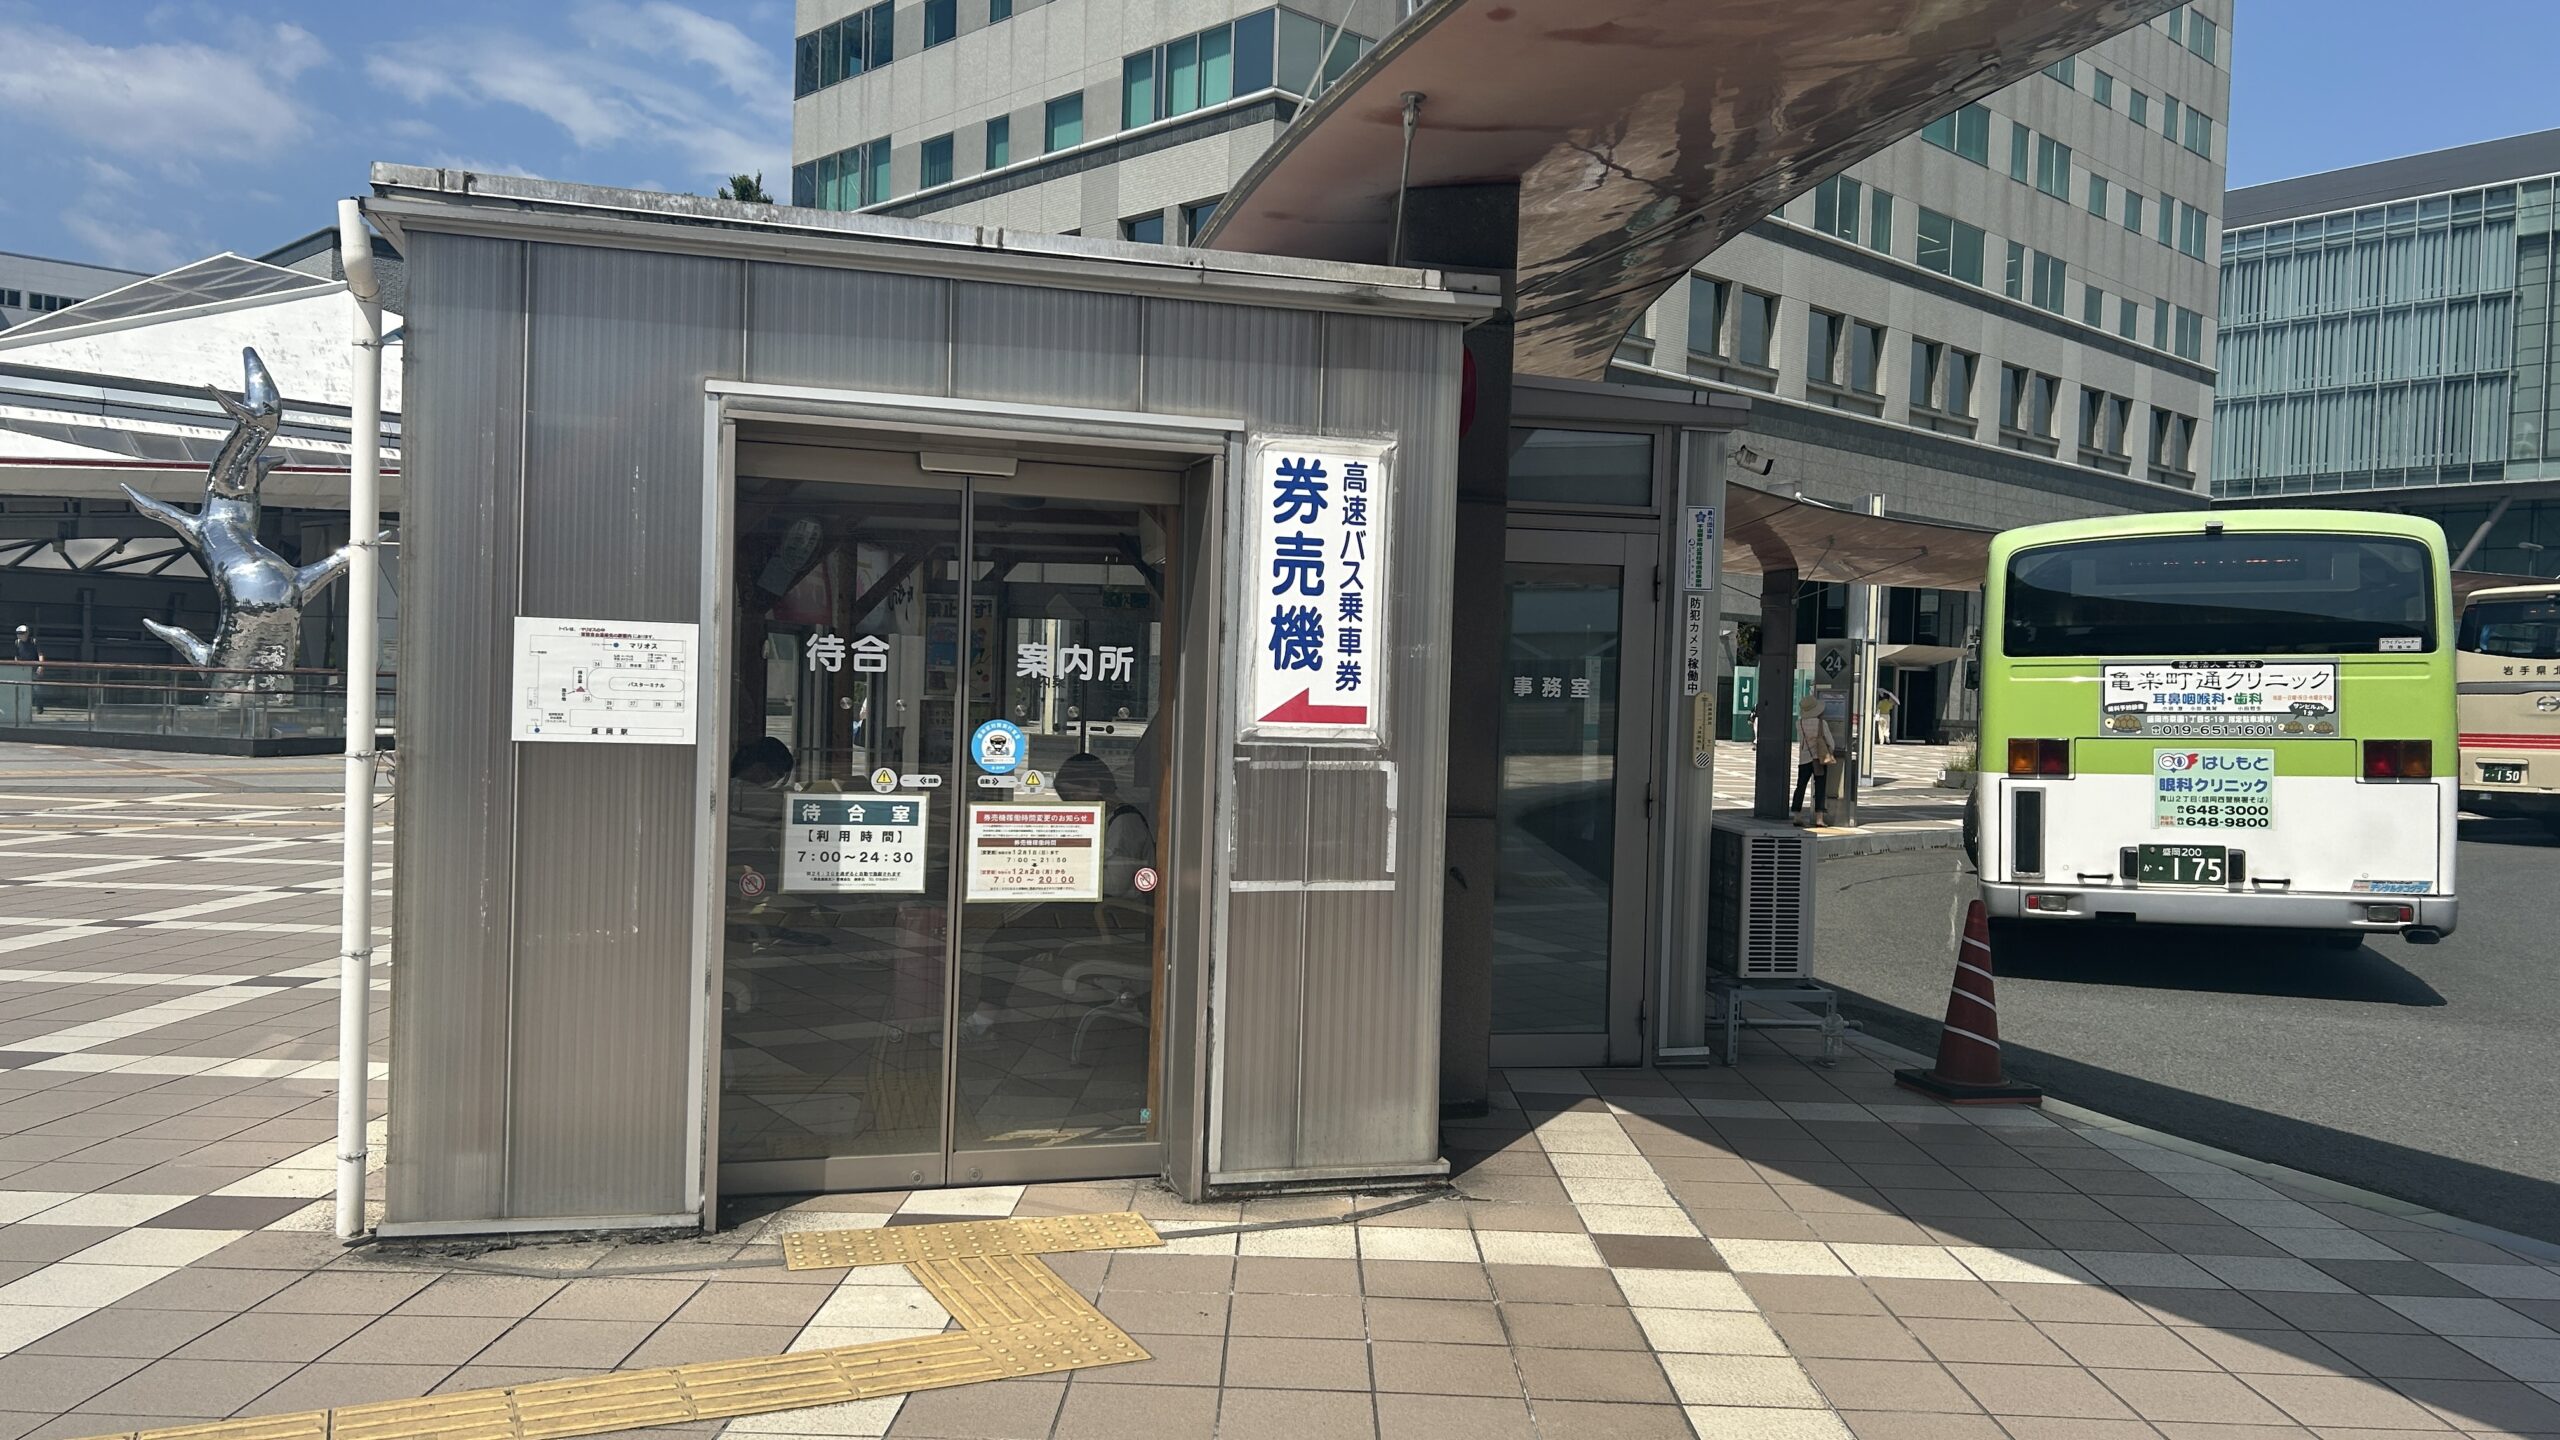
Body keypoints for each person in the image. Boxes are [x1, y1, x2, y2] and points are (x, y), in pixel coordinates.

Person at [1791, 691, 1836, 825]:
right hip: (1819, 759)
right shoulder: (1822, 723)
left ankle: (1797, 816)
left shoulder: (1799, 723)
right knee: (1820, 787)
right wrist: (1830, 751)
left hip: (1804, 759)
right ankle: (1819, 819)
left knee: (1801, 786)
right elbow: (1831, 743)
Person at [11, 625, 39, 715]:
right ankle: (22, 706)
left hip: (33, 668)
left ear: (27, 633)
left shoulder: (33, 641)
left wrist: (40, 666)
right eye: (18, 633)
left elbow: (40, 654)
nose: (19, 635)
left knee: (36, 688)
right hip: (22, 668)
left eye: (22, 633)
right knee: (21, 687)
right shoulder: (17, 642)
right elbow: (16, 656)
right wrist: (16, 666)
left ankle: (39, 706)